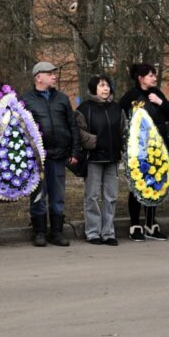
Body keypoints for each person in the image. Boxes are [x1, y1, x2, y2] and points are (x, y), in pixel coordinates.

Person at [20, 61, 80, 247]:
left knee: (58, 196)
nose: (54, 76)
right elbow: (20, 129)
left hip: (59, 156)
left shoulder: (62, 98)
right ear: (38, 77)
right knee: (38, 195)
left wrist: (74, 151)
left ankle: (57, 232)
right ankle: (39, 232)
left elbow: (72, 126)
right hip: (38, 159)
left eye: (55, 73)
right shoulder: (26, 100)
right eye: (50, 73)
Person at [119, 63, 169, 241]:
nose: (154, 78)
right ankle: (135, 225)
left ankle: (151, 225)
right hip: (139, 149)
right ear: (141, 78)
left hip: (158, 148)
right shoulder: (131, 96)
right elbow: (121, 118)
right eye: (151, 75)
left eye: (154, 75)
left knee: (155, 183)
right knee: (138, 185)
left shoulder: (157, 94)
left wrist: (161, 103)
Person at [75, 75, 123, 245]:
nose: (106, 88)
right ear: (93, 88)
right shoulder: (84, 108)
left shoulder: (117, 108)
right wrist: (91, 141)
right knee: (92, 196)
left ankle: (108, 233)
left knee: (111, 197)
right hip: (93, 158)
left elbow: (123, 129)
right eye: (102, 85)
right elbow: (77, 130)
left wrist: (120, 147)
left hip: (112, 158)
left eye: (107, 85)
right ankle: (93, 232)